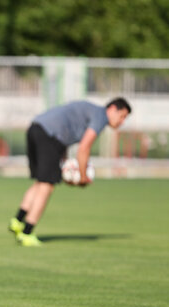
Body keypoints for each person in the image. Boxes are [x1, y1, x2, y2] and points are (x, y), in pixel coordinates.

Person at [8, 98, 131, 246]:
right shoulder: (100, 116)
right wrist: (83, 177)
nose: (122, 122)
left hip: (36, 128)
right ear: (112, 109)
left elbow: (64, 138)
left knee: (41, 181)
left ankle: (18, 221)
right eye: (122, 116)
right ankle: (27, 233)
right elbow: (83, 149)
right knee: (47, 185)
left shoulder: (89, 110)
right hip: (49, 136)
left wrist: (64, 167)